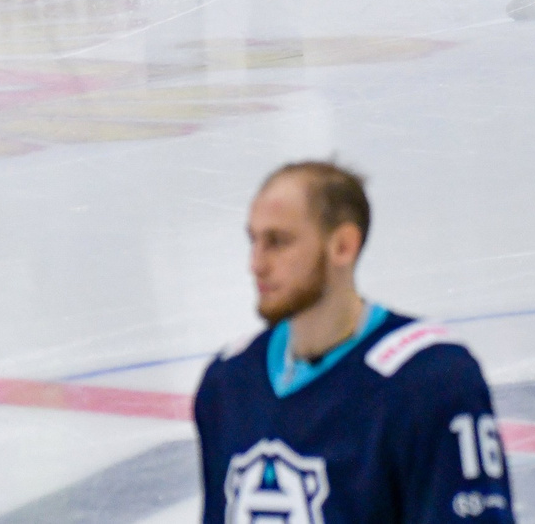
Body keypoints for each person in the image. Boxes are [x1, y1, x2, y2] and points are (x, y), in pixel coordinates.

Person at [194, 161, 514, 522]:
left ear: (343, 246)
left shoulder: (431, 381)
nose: (256, 264)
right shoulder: (230, 384)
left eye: (278, 242)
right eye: (253, 240)